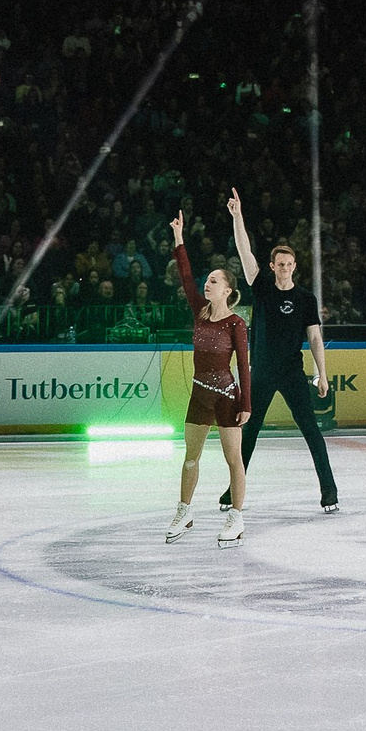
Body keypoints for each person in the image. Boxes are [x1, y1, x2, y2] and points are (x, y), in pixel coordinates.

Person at [220, 187, 338, 514]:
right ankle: (233, 492)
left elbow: (315, 338)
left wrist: (322, 374)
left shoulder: (305, 299)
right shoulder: (261, 288)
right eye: (279, 263)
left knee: (312, 431)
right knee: (250, 433)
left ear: (294, 266)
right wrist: (238, 216)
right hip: (262, 372)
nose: (284, 268)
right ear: (272, 266)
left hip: (292, 373)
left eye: (288, 263)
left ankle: (329, 492)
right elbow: (245, 252)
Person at [163, 209, 251, 547]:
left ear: (227, 291)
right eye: (208, 280)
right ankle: (184, 512)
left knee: (234, 459)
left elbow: (244, 366)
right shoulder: (199, 310)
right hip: (199, 395)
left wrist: (246, 403)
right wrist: (179, 238)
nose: (207, 283)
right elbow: (185, 277)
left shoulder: (236, 324)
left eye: (214, 281)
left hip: (227, 397)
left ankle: (236, 517)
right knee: (190, 457)